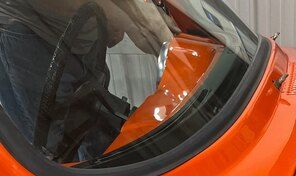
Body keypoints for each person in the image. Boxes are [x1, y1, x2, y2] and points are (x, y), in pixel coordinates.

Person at [0, 0, 173, 154]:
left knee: (93, 112)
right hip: (31, 34)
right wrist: (125, 19)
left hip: (79, 27)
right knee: (54, 146)